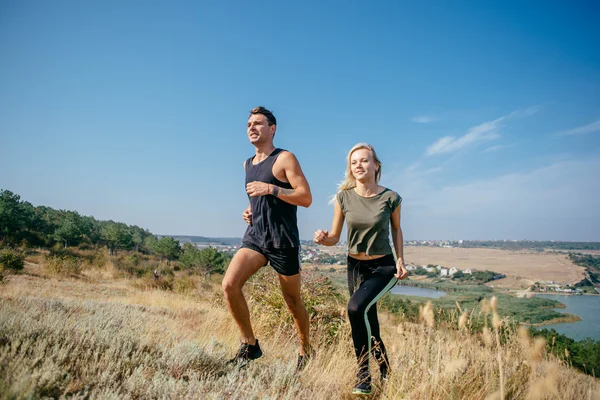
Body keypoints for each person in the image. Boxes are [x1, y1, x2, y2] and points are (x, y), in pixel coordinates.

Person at [222, 106, 313, 370]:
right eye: (249, 124)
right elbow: (257, 198)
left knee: (293, 302)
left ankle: (306, 350)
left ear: (272, 129)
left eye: (258, 123)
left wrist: (271, 189)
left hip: (283, 240)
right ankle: (250, 345)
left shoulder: (285, 158)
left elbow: (305, 197)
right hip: (256, 237)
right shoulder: (247, 164)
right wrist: (251, 210)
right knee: (229, 285)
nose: (252, 127)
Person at [314, 143, 408, 395]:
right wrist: (325, 238)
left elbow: (396, 230)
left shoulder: (391, 197)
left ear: (375, 165)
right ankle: (386, 369)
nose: (358, 165)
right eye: (354, 162)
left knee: (355, 308)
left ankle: (363, 373)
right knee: (368, 320)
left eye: (364, 160)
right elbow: (335, 236)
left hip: (383, 266)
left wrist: (400, 259)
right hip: (354, 265)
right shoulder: (344, 197)